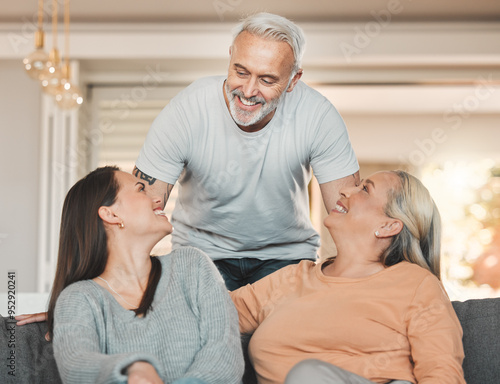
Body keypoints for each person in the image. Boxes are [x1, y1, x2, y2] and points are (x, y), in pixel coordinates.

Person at [133, 12, 360, 290]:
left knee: (277, 336)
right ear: (230, 57)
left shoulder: (318, 116)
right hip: (200, 252)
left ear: (293, 80)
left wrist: (352, 291)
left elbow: (351, 216)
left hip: (286, 256)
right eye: (240, 72)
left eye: (266, 80)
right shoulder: (187, 110)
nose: (248, 91)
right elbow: (141, 206)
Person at [230, 170, 466, 384]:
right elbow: (210, 313)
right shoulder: (291, 279)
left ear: (388, 226)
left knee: (307, 375)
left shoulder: (417, 284)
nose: (345, 190)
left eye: (365, 189)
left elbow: (442, 372)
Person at [21, 166, 243, 384]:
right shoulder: (79, 298)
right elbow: (77, 365)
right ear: (111, 214)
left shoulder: (192, 266)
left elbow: (225, 352)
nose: (159, 200)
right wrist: (135, 367)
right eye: (140, 189)